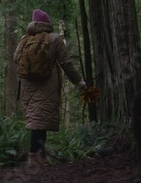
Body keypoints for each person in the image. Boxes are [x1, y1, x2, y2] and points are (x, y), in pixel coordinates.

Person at [14, 9, 87, 167]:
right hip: (47, 84)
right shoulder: (54, 38)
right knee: (42, 121)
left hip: (28, 84)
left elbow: (15, 58)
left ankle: (37, 156)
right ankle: (36, 157)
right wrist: (79, 82)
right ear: (47, 22)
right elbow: (66, 63)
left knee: (36, 121)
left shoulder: (25, 39)